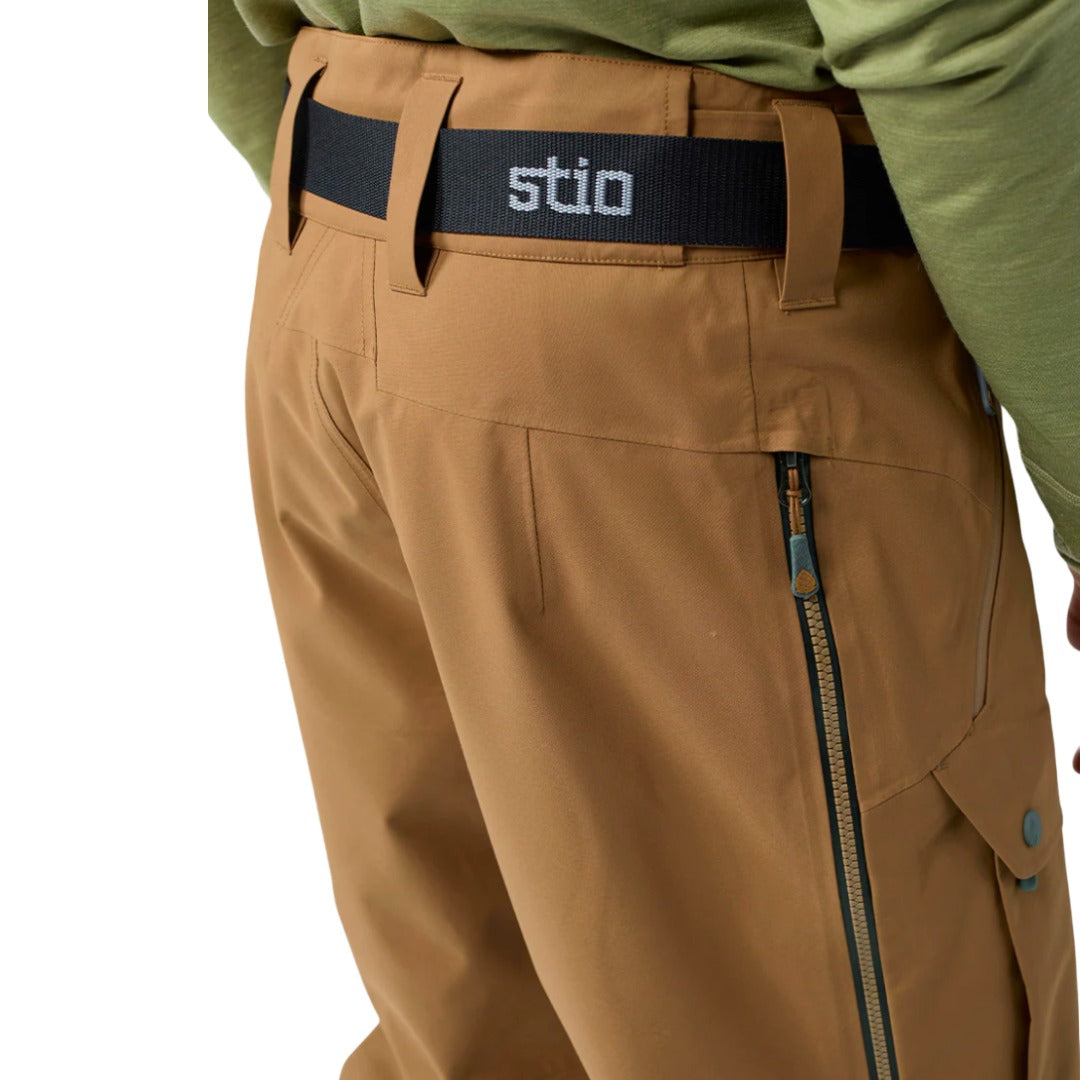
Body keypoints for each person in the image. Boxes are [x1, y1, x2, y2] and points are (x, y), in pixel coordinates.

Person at [208, 2, 1080, 1077]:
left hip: (334, 244)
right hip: (683, 328)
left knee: (477, 1038)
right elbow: (950, 28)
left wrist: (393, 263)